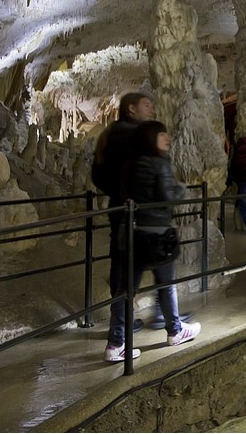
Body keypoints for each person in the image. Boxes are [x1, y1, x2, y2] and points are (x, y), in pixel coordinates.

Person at [104, 120, 201, 361]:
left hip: (132, 233)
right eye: (162, 135)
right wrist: (180, 189)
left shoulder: (129, 165)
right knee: (166, 284)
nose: (167, 138)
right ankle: (175, 331)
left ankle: (116, 343)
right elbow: (167, 197)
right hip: (156, 234)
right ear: (151, 138)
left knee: (126, 290)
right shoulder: (160, 163)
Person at [92, 92, 154, 358]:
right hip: (135, 211)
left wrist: (117, 194)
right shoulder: (135, 137)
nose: (151, 109)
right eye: (146, 105)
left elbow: (97, 174)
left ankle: (124, 324)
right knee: (130, 272)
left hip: (118, 208)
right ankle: (117, 341)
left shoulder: (108, 134)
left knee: (121, 267)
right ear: (131, 109)